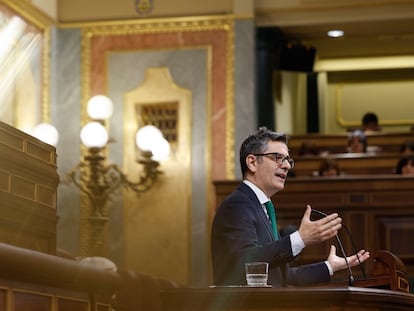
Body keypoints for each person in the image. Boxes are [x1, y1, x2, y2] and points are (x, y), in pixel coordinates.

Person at [211, 127, 369, 287]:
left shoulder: (261, 207)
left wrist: (329, 267)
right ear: (252, 163)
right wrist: (300, 239)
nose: (287, 166)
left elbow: (282, 277)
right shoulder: (237, 205)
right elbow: (247, 263)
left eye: (288, 160)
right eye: (278, 157)